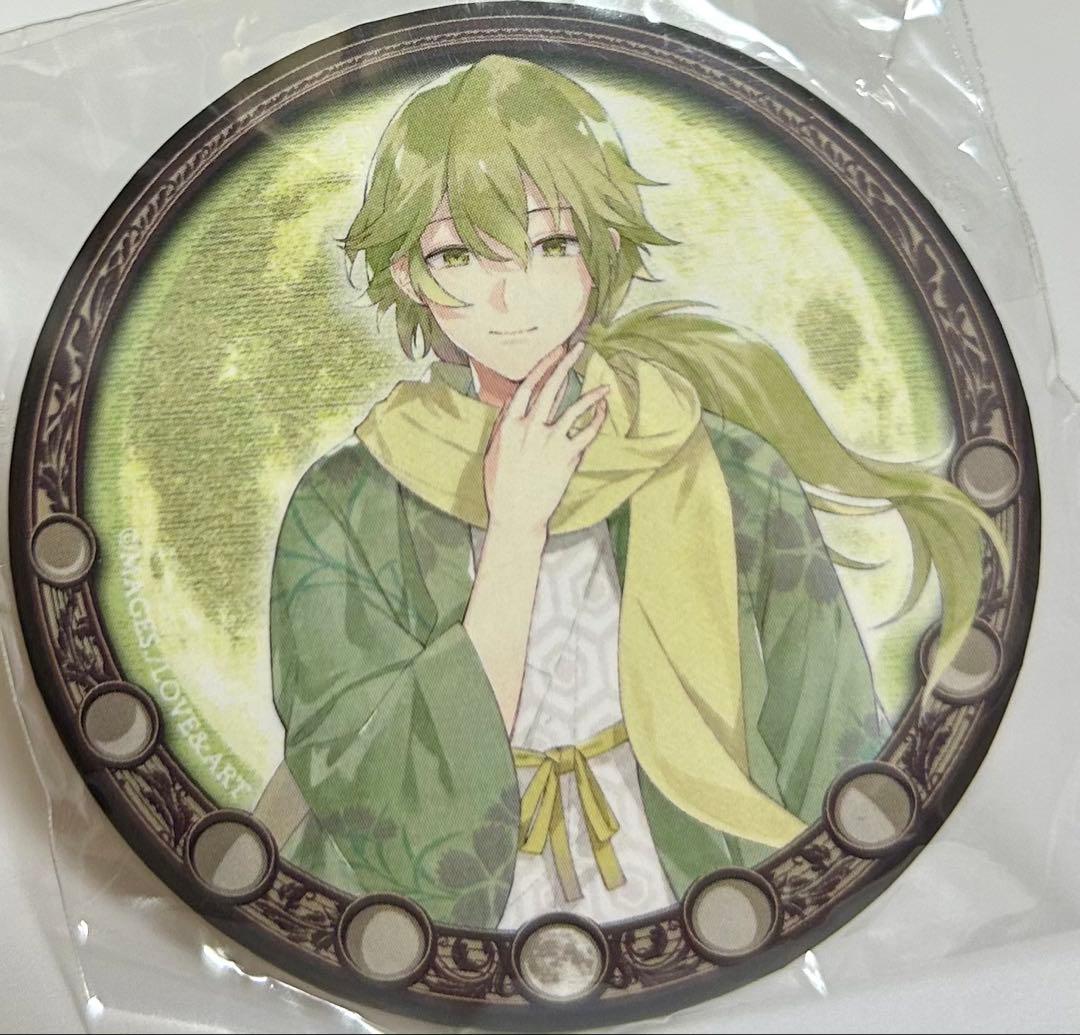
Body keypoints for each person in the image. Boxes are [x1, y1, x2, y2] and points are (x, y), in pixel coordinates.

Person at [267, 55, 1007, 930]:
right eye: (459, 254)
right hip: (451, 925)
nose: (511, 294)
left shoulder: (730, 468)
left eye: (552, 244)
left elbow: (829, 738)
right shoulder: (343, 504)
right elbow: (368, 789)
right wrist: (516, 528)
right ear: (407, 277)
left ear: (603, 250)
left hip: (702, 884)